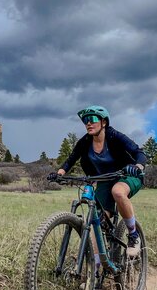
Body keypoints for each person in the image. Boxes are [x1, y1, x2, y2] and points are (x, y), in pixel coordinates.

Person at [48, 105, 146, 256]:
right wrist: (59, 173)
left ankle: (133, 235)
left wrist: (137, 166)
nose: (88, 123)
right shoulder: (86, 141)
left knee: (118, 192)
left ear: (104, 122)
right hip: (105, 180)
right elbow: (71, 158)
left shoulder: (114, 136)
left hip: (127, 175)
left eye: (92, 119)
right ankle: (96, 268)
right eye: (86, 120)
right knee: (96, 223)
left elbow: (138, 152)